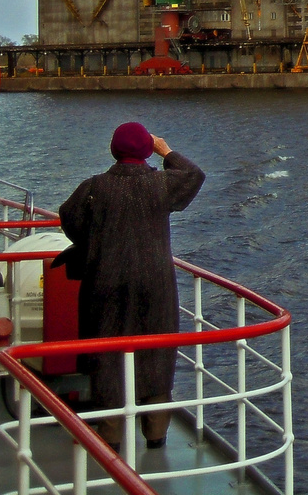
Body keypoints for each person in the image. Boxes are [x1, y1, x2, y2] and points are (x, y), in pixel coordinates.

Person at [59, 122, 205, 450]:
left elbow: (70, 219)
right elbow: (194, 175)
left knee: (108, 356)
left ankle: (110, 438)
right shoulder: (161, 185)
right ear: (144, 151)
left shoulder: (94, 188)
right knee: (156, 353)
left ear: (114, 150)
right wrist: (165, 150)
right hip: (156, 287)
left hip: (105, 284)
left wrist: (97, 240)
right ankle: (155, 435)